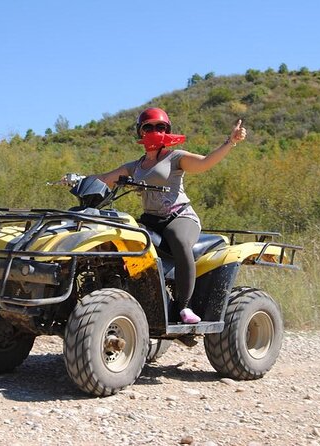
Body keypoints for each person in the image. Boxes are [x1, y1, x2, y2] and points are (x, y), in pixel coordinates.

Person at [95, 107, 246, 324]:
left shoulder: (176, 157)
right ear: (140, 132)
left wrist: (229, 142)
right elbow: (105, 178)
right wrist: (77, 180)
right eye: (149, 127)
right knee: (122, 238)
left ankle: (184, 306)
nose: (155, 131)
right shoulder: (135, 166)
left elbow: (204, 162)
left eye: (161, 127)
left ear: (168, 131)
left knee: (178, 239)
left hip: (179, 217)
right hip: (151, 220)